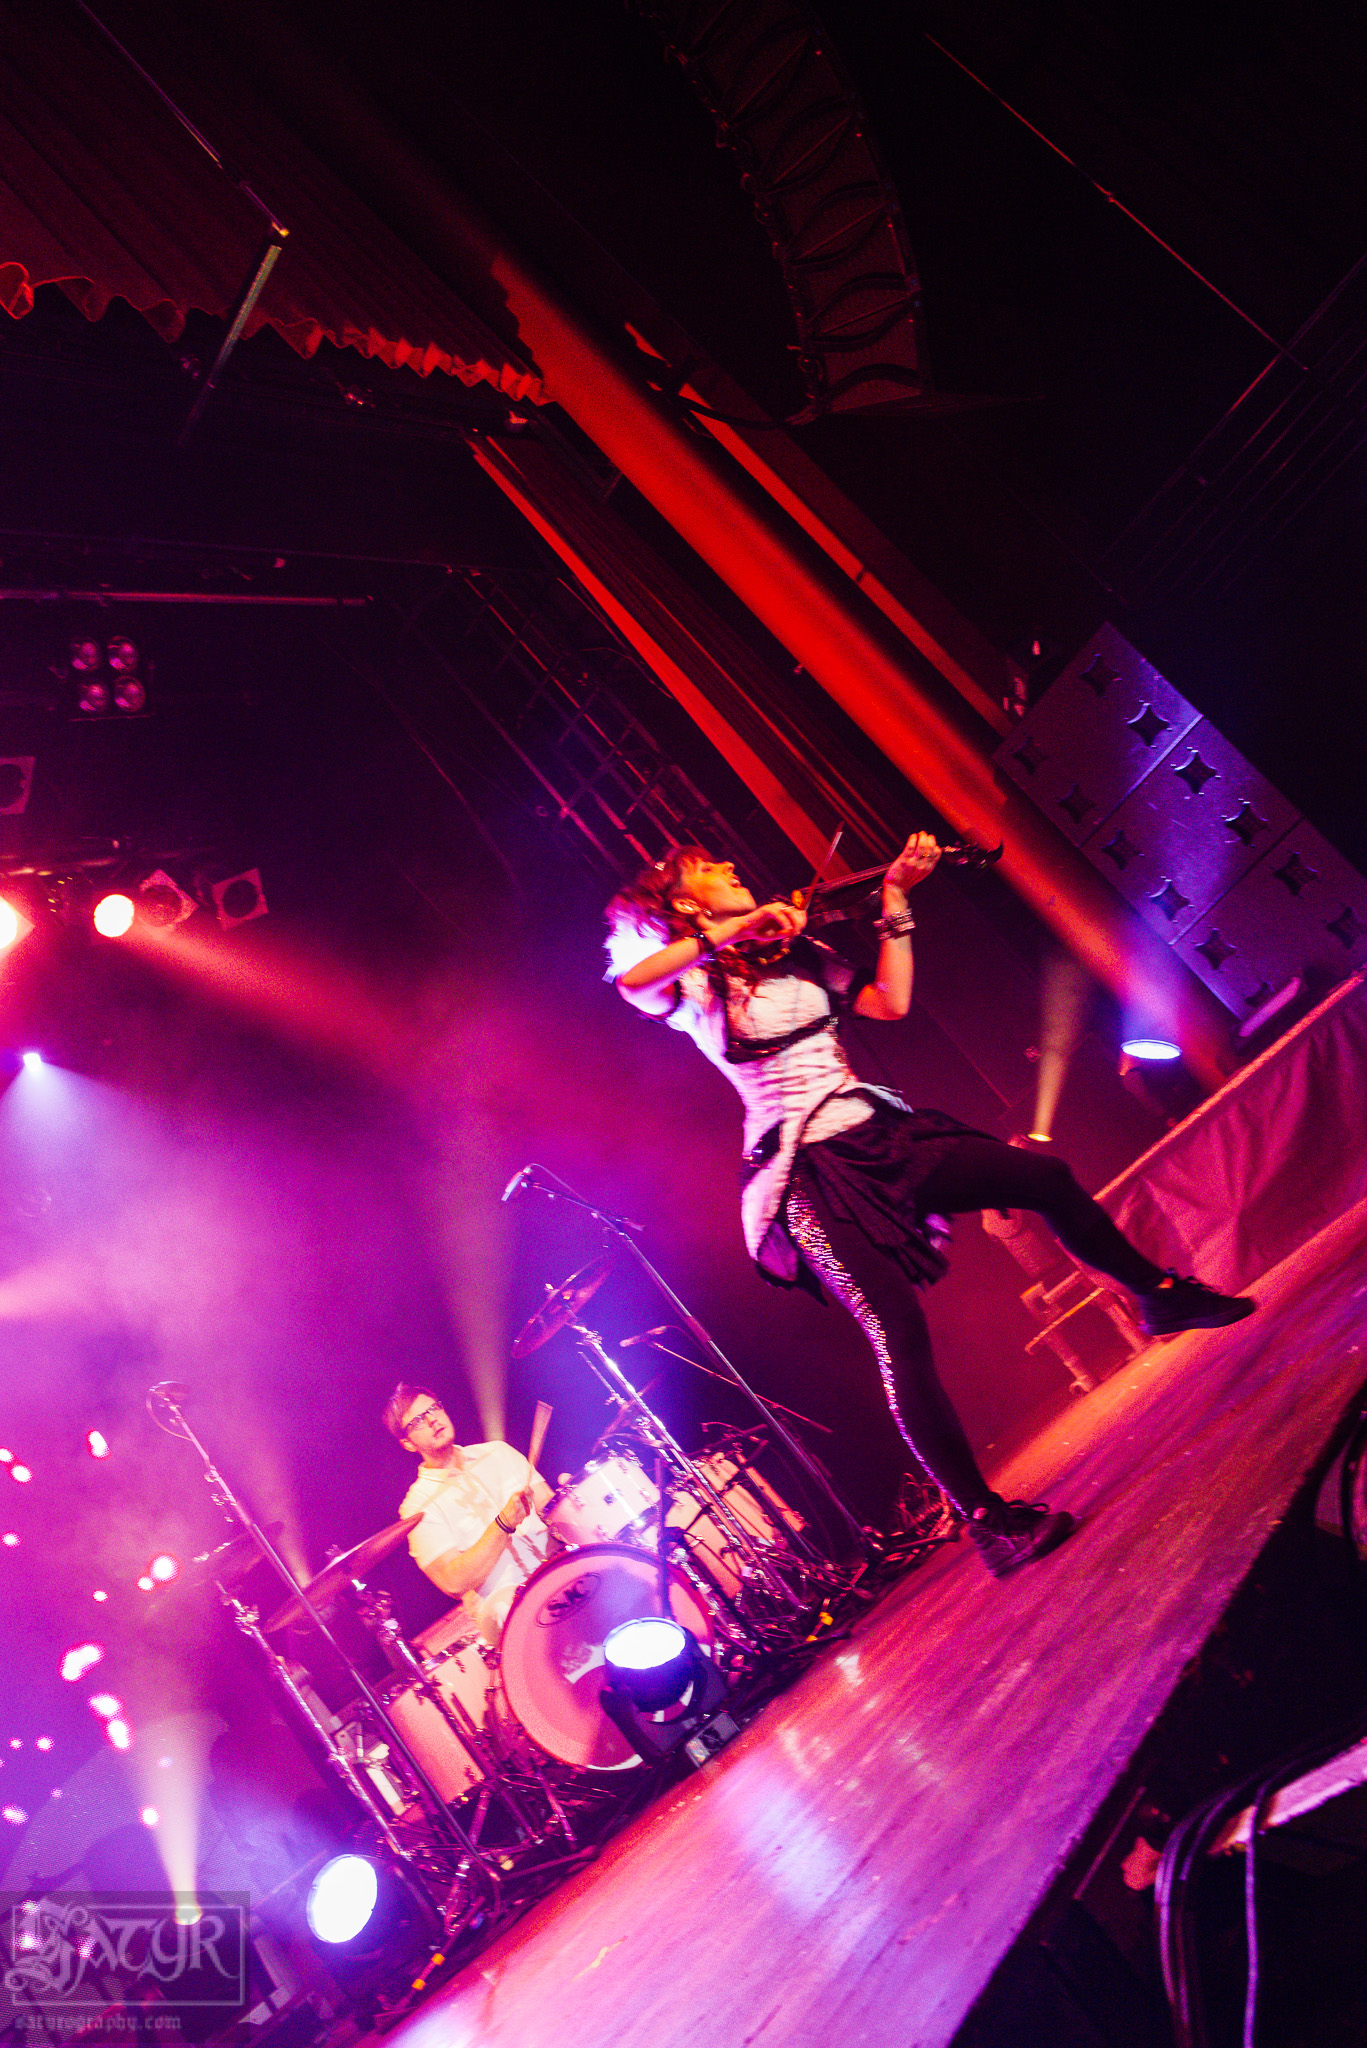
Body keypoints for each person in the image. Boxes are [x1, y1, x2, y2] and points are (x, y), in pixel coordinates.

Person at [604, 835, 1255, 1579]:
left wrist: (894, 903)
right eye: (710, 870)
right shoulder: (693, 989)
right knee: (898, 1332)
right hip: (806, 1172)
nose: (730, 866)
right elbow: (633, 982)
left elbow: (891, 1003)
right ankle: (989, 1521)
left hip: (879, 1133)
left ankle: (1159, 1295)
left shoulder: (797, 951)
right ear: (686, 905)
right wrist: (738, 930)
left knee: (1044, 1179)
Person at [383, 1384, 554, 1639]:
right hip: (506, 1605)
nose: (432, 1419)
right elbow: (453, 1582)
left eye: (433, 1408)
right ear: (407, 1443)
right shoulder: (417, 1508)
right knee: (504, 1609)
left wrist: (569, 1501)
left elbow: (550, 1508)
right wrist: (503, 1524)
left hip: (556, 1566)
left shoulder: (497, 1452)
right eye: (417, 1420)